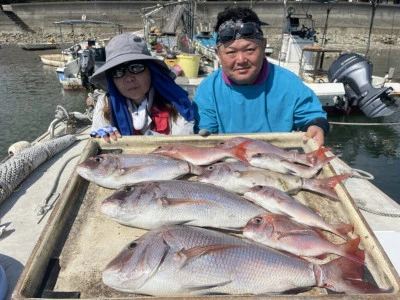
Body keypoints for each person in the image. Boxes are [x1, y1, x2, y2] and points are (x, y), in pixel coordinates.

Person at [193, 7, 329, 146]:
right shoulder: (208, 90)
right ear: (218, 54)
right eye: (231, 52)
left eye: (250, 50)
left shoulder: (287, 83)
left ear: (264, 47)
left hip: (277, 160)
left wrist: (316, 126)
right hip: (227, 162)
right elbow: (205, 137)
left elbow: (312, 116)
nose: (241, 60)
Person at [89, 33, 194, 142]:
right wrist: (102, 138)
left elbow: (182, 144)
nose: (129, 78)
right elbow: (98, 144)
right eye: (118, 72)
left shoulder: (176, 101)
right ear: (111, 79)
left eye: (136, 67)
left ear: (151, 70)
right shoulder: (105, 103)